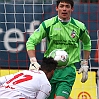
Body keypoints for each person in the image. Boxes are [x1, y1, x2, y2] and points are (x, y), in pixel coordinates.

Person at [26, 0, 91, 99]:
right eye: (61, 6)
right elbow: (31, 42)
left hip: (68, 70)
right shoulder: (48, 24)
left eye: (67, 6)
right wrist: (33, 61)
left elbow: (87, 43)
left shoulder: (79, 27)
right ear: (57, 8)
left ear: (72, 8)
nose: (64, 9)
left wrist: (85, 63)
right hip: (50, 70)